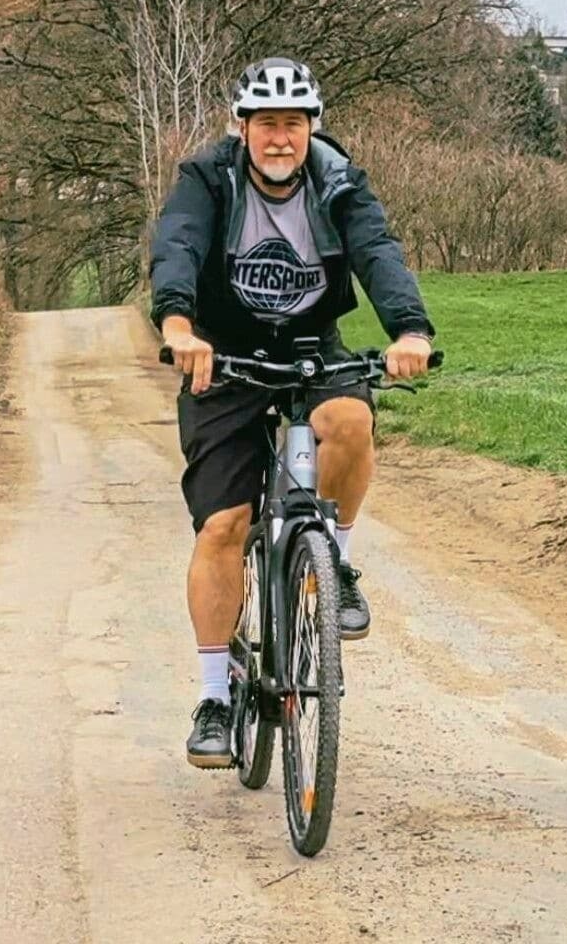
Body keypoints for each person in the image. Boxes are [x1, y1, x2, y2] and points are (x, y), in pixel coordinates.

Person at [149, 57, 436, 768]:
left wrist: (410, 330)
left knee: (350, 422)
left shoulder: (337, 179)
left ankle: (332, 562)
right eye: (267, 124)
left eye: (294, 125)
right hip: (223, 353)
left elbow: (377, 251)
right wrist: (179, 326)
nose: (280, 139)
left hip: (312, 344)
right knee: (224, 525)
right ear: (241, 128)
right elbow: (178, 245)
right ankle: (215, 697)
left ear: (312, 128)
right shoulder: (207, 180)